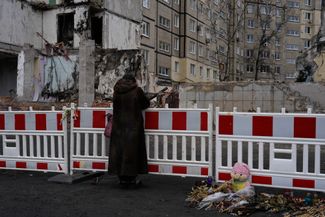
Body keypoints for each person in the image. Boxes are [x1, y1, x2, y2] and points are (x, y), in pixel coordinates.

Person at [108, 73, 150, 187]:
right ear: (133, 81)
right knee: (132, 152)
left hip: (118, 126)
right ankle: (131, 179)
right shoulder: (137, 90)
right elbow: (145, 104)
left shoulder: (116, 90)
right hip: (133, 126)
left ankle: (121, 178)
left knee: (120, 151)